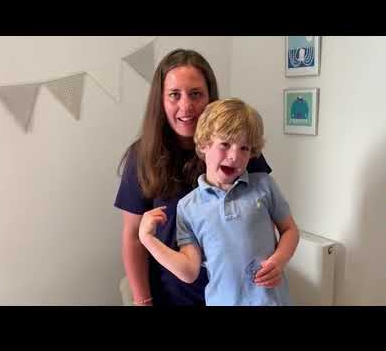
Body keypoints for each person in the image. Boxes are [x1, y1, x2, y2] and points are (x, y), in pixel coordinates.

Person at [114, 49, 273, 306]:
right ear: (161, 100)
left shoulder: (240, 149)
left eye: (196, 94)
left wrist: (275, 263)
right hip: (173, 295)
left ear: (210, 97)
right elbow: (133, 236)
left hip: (241, 294)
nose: (186, 106)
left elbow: (267, 215)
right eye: (174, 95)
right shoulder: (142, 156)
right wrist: (142, 300)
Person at [138, 98, 300, 306]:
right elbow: (189, 271)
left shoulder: (264, 185)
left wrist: (279, 261)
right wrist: (148, 239)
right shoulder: (188, 207)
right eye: (225, 144)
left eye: (244, 148)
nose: (235, 156)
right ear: (205, 144)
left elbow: (290, 230)